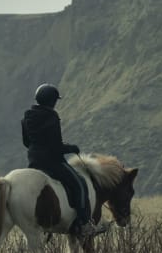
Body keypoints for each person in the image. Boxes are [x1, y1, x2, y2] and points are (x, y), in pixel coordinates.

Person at [22, 84, 105, 238]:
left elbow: (27, 142)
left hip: (33, 162)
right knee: (79, 183)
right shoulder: (51, 117)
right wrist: (72, 148)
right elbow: (56, 148)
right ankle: (85, 224)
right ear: (52, 101)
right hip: (52, 162)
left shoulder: (27, 117)